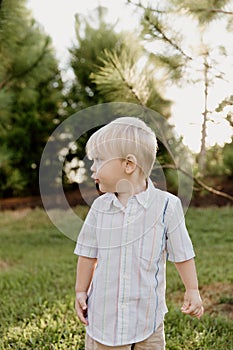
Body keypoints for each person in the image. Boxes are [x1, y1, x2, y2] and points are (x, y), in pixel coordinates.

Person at [74, 116, 204, 350]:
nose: (92, 168)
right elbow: (87, 254)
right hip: (105, 322)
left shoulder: (167, 207)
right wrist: (81, 290)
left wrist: (192, 290)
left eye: (99, 160)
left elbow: (182, 253)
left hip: (148, 321)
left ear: (129, 164)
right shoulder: (100, 208)